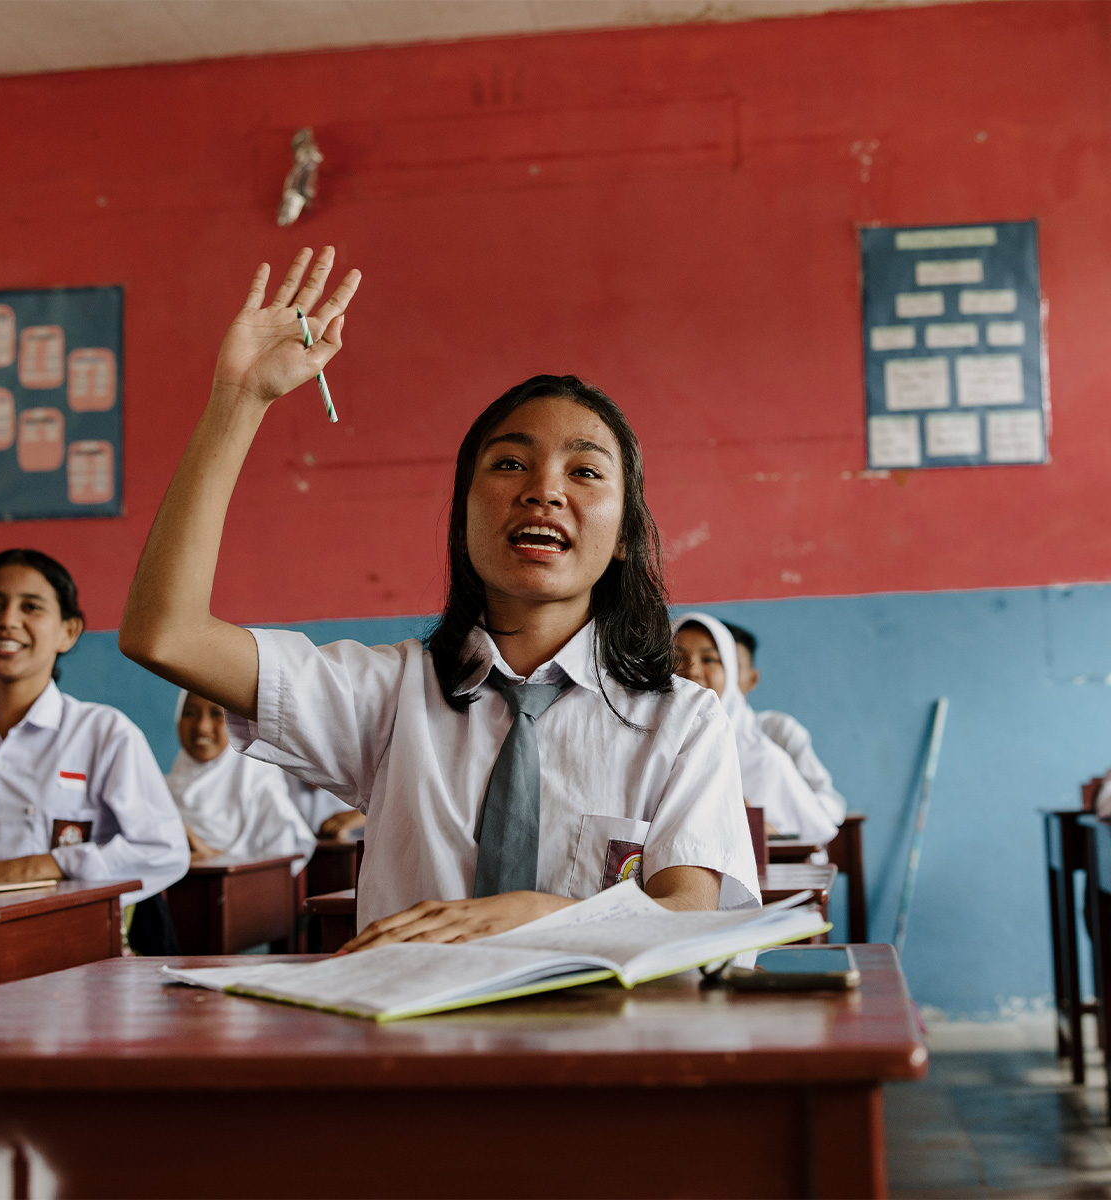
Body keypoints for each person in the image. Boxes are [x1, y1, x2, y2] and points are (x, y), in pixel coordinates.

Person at [118, 246, 757, 951]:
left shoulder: (682, 720)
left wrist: (539, 915)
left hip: (597, 1049)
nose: (543, 489)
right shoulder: (389, 696)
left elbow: (692, 917)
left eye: (584, 471)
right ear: (463, 517)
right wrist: (238, 402)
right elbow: (165, 633)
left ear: (625, 537)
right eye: (509, 463)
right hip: (409, 1051)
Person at [0, 549, 189, 909]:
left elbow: (164, 851)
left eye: (31, 607)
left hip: (65, 950)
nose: (8, 620)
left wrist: (48, 865)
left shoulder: (105, 734)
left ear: (68, 631)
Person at [672, 612, 842, 845]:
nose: (691, 670)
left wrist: (762, 830)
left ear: (731, 673)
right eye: (676, 658)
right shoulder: (654, 745)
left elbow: (814, 830)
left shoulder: (766, 759)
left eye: (710, 659)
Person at [168, 691, 315, 873]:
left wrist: (211, 857)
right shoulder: (164, 789)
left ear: (235, 722)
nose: (202, 727)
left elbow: (282, 868)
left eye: (216, 713)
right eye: (189, 713)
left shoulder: (259, 785)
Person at [721, 620, 848, 827]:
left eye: (730, 665)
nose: (699, 673)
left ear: (753, 679)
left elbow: (830, 806)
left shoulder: (777, 732)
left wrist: (781, 819)